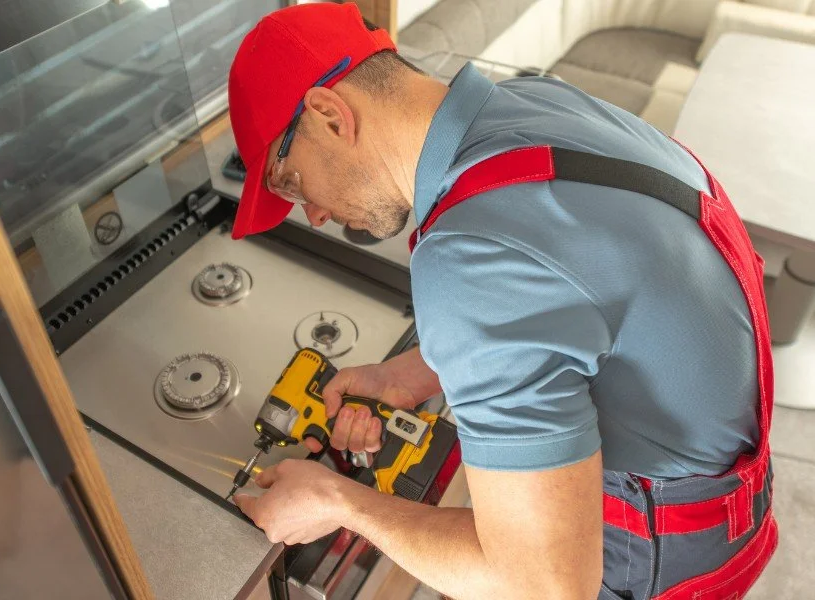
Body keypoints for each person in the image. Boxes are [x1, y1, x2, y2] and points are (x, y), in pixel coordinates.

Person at [227, 3, 777, 599]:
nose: (315, 213)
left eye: (290, 182)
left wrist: (337, 502)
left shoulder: (469, 256)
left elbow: (540, 588)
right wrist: (409, 373)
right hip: (728, 499)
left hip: (654, 566)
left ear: (331, 116)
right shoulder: (536, 101)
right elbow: (579, 294)